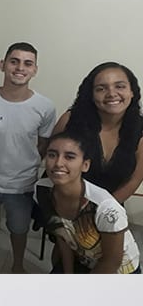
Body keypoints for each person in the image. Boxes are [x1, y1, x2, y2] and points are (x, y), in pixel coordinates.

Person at [0, 42, 56, 273]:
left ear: (35, 69)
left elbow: (43, 144)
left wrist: (25, 165)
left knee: (19, 228)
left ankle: (17, 265)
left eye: (27, 63)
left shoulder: (45, 107)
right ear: (2, 65)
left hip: (22, 185)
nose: (20, 68)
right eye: (14, 61)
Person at [35, 131, 140, 274]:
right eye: (52, 155)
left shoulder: (106, 208)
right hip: (83, 259)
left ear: (85, 165)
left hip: (118, 271)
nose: (58, 163)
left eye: (69, 157)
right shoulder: (42, 190)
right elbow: (63, 236)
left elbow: (112, 262)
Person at [52, 61, 143, 203]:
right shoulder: (70, 120)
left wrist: (105, 209)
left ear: (132, 92)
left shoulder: (140, 129)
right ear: (92, 95)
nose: (111, 94)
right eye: (101, 89)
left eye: (120, 86)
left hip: (110, 207)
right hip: (61, 204)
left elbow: (134, 180)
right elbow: (52, 164)